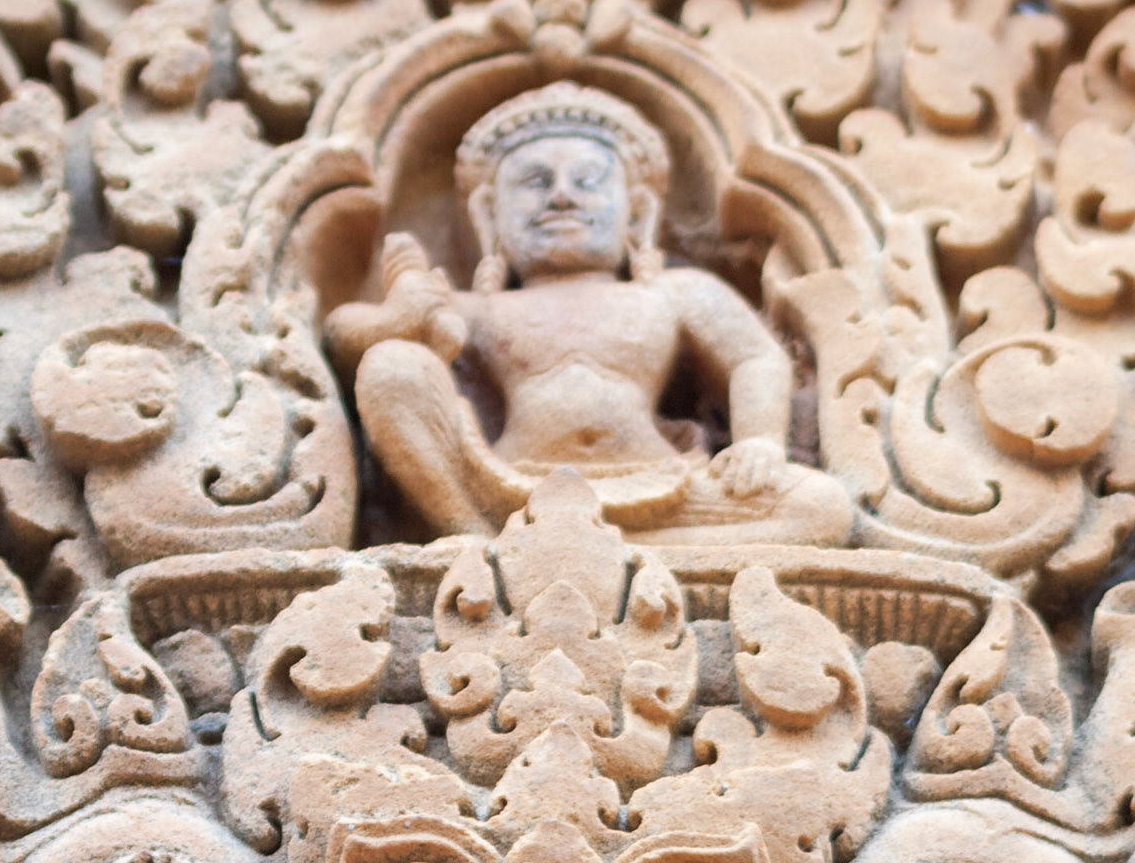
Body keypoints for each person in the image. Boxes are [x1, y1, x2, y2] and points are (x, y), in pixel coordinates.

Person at [325, 81, 853, 544]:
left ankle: (581, 551)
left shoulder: (674, 293)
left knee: (820, 507)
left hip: (662, 484)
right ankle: (469, 534)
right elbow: (340, 335)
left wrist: (760, 441)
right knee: (393, 365)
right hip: (509, 486)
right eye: (535, 183)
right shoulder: (480, 308)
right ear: (489, 214)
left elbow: (755, 357)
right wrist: (400, 317)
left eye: (588, 181)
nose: (561, 198)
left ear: (637, 213)